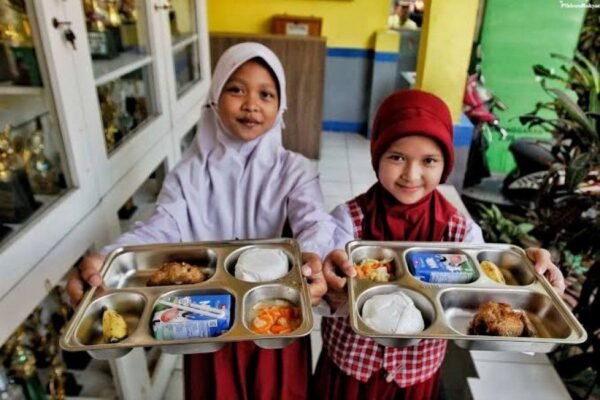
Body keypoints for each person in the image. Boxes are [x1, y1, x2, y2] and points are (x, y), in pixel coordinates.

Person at [67, 42, 334, 400]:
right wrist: (109, 257)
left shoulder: (295, 171)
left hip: (274, 319)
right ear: (213, 99)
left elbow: (313, 221)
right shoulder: (188, 174)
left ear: (281, 106)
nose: (251, 104)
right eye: (236, 89)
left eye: (266, 94)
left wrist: (314, 257)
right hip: (203, 318)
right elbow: (162, 226)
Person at [314, 89, 566, 399]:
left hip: (416, 374)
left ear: (444, 164)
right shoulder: (347, 220)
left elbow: (487, 294)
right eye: (397, 157)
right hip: (350, 369)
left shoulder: (460, 231)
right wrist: (329, 286)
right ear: (377, 156)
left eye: (429, 160)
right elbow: (324, 296)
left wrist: (533, 277)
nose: (411, 174)